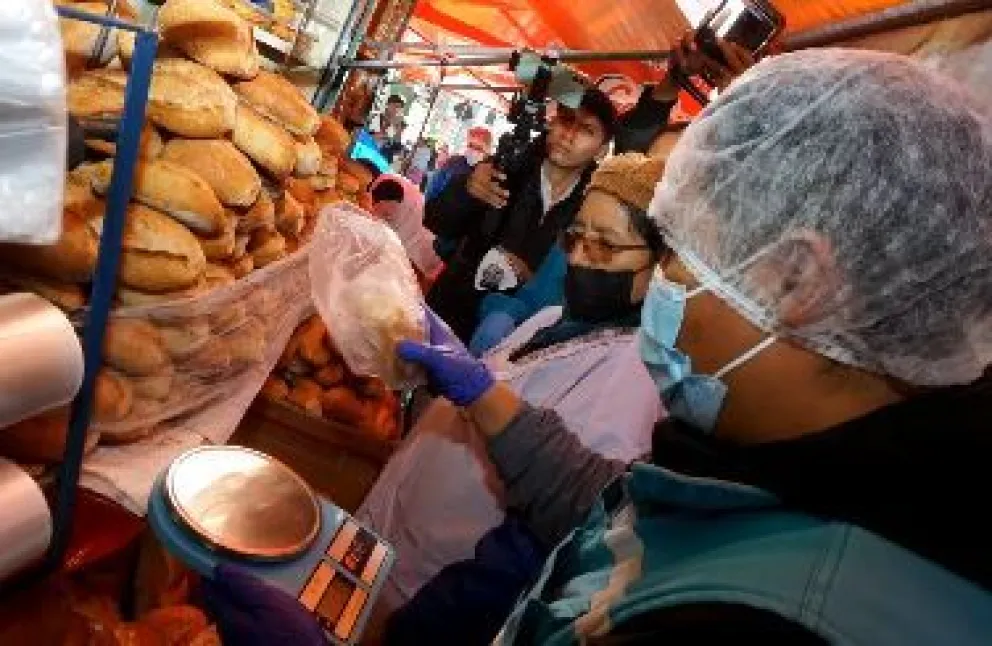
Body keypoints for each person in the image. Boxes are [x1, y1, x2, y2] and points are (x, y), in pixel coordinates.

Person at [202, 50, 992, 646]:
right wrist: (481, 389)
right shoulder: (773, 470)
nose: (663, 283)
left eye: (681, 254)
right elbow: (608, 495)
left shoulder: (764, 619)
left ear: (796, 278)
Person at [358, 154, 668, 635]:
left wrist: (423, 629)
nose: (581, 256)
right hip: (385, 540)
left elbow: (543, 539)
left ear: (661, 264)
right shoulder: (549, 321)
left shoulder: (637, 384)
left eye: (605, 245)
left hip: (427, 586)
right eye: (575, 237)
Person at [423, 88, 618, 341]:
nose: (568, 135)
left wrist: (537, 280)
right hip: (448, 313)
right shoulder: (509, 165)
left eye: (586, 130)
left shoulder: (592, 204)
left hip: (517, 338)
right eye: (566, 119)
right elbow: (436, 220)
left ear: (602, 150)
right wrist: (466, 190)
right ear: (552, 121)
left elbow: (584, 285)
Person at [367, 173, 444, 287]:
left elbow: (374, 223)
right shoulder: (391, 179)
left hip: (419, 253)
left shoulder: (386, 191)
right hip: (431, 241)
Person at [370, 94, 406, 163]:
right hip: (367, 152)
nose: (396, 110)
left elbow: (396, 147)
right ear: (388, 104)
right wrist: (388, 134)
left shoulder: (395, 125)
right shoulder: (376, 117)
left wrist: (398, 132)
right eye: (395, 106)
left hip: (378, 159)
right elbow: (371, 136)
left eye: (399, 108)